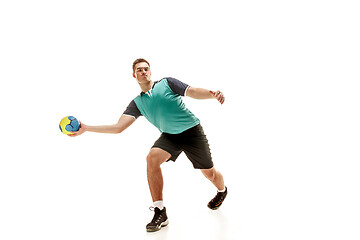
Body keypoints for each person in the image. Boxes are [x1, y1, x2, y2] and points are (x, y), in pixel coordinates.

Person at [70, 58, 228, 232]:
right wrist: (86, 128)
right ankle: (160, 211)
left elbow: (193, 92)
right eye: (139, 70)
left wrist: (212, 94)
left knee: (210, 174)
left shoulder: (167, 83)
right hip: (169, 136)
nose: (143, 72)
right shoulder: (137, 103)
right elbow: (118, 127)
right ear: (134, 75)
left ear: (150, 72)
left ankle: (222, 190)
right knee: (152, 158)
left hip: (192, 132)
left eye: (146, 69)